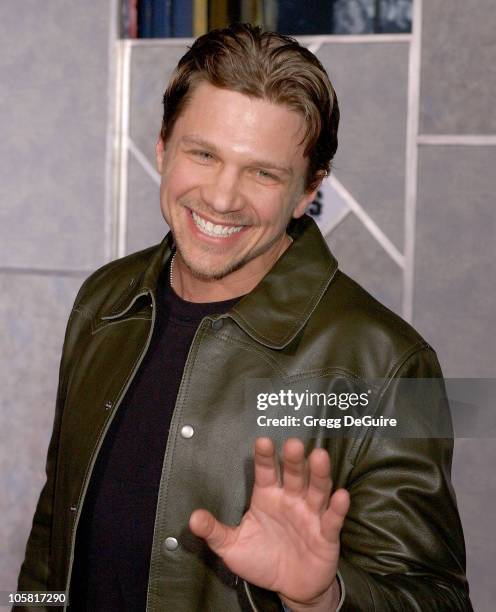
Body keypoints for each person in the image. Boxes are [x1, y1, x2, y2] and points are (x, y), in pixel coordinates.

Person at [17, 23, 472, 611]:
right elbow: (53, 535)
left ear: (309, 191)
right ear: (162, 147)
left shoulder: (393, 364)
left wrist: (324, 599)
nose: (223, 197)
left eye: (263, 172)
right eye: (203, 154)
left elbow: (438, 599)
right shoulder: (103, 302)